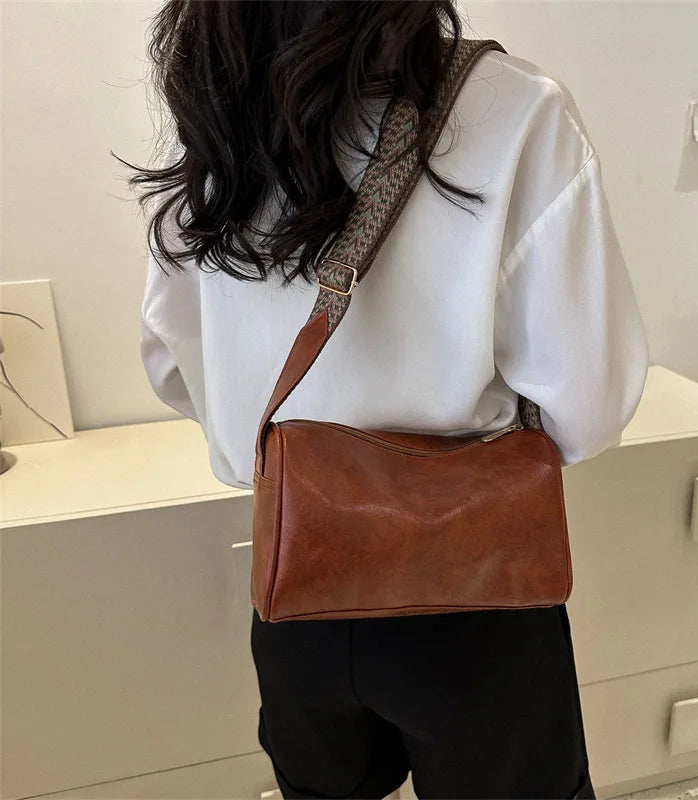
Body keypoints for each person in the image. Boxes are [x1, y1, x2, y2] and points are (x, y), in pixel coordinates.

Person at [131, 2, 649, 798]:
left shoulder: (211, 109)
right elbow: (590, 402)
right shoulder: (514, 108)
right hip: (473, 582)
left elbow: (170, 362)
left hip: (298, 573)